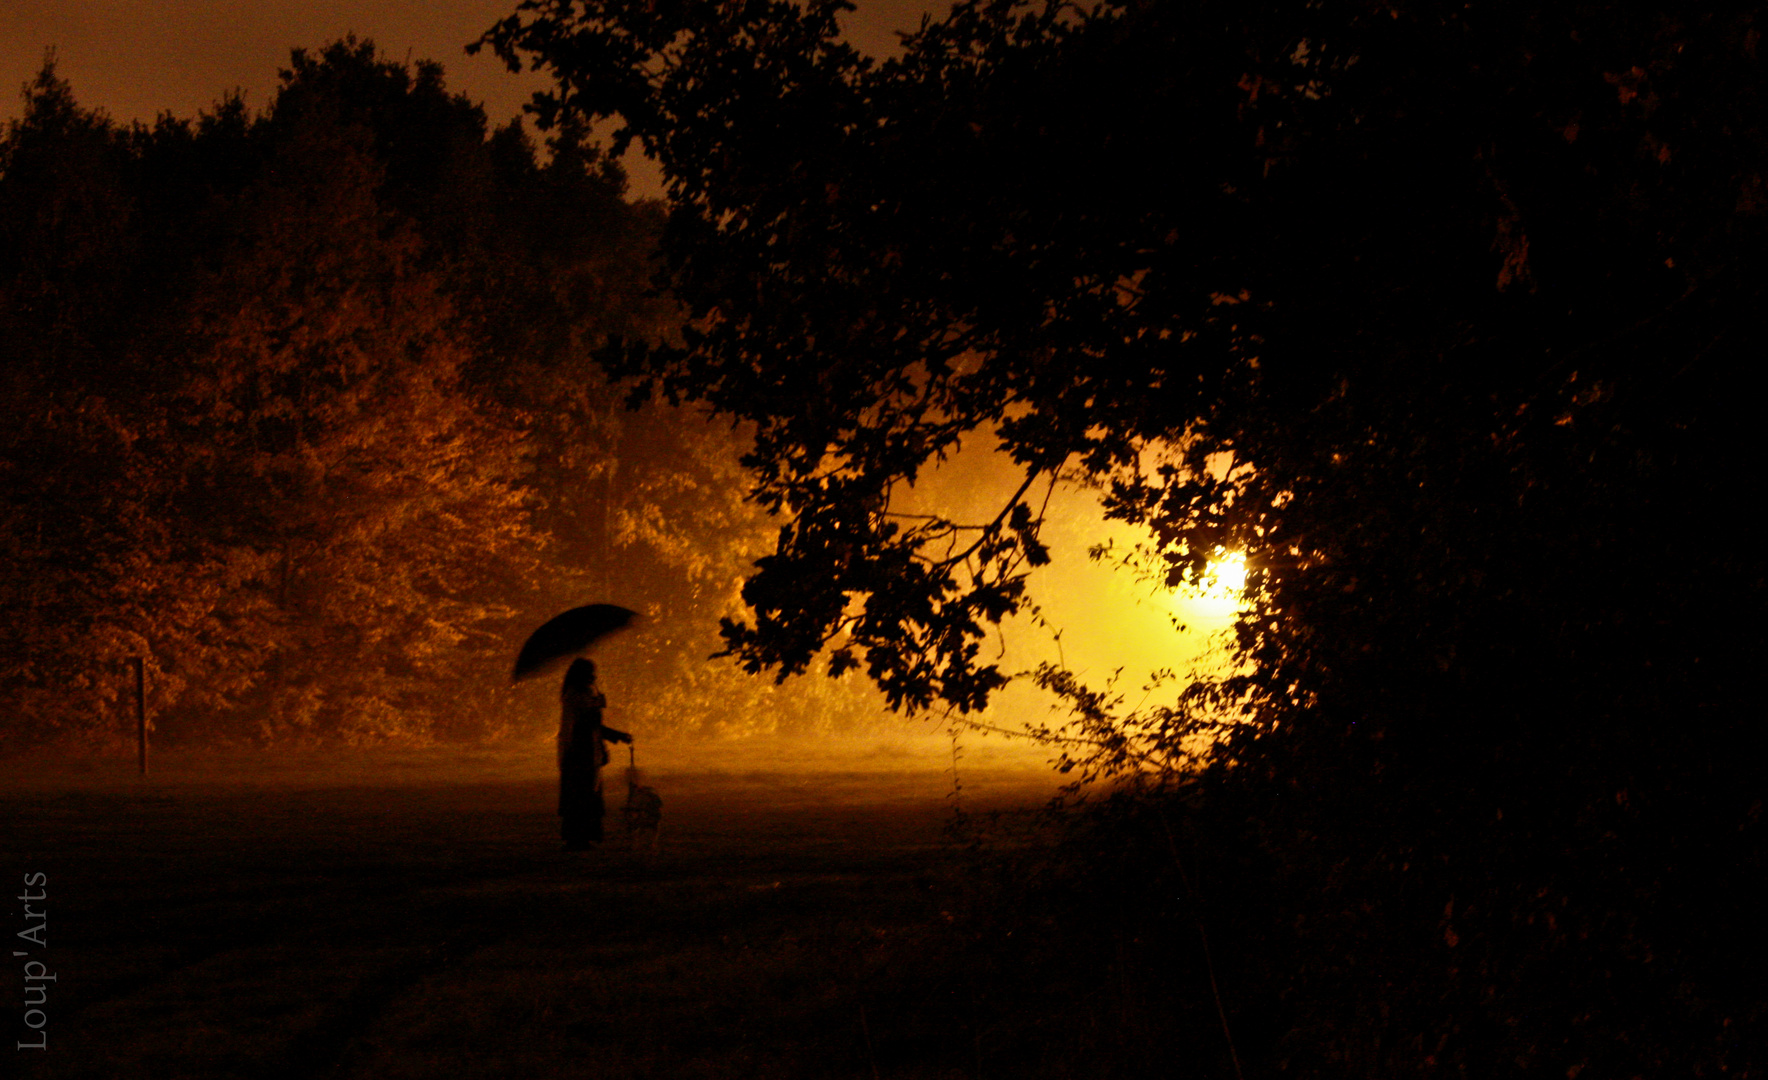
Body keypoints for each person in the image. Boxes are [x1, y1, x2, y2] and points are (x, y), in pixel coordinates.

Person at [557, 658, 631, 849]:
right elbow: (587, 725)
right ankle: (578, 838)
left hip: (586, 749)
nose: (594, 676)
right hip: (579, 751)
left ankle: (582, 837)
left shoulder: (582, 693)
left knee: (587, 792)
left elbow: (592, 725)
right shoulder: (576, 695)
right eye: (590, 672)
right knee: (582, 793)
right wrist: (616, 735)